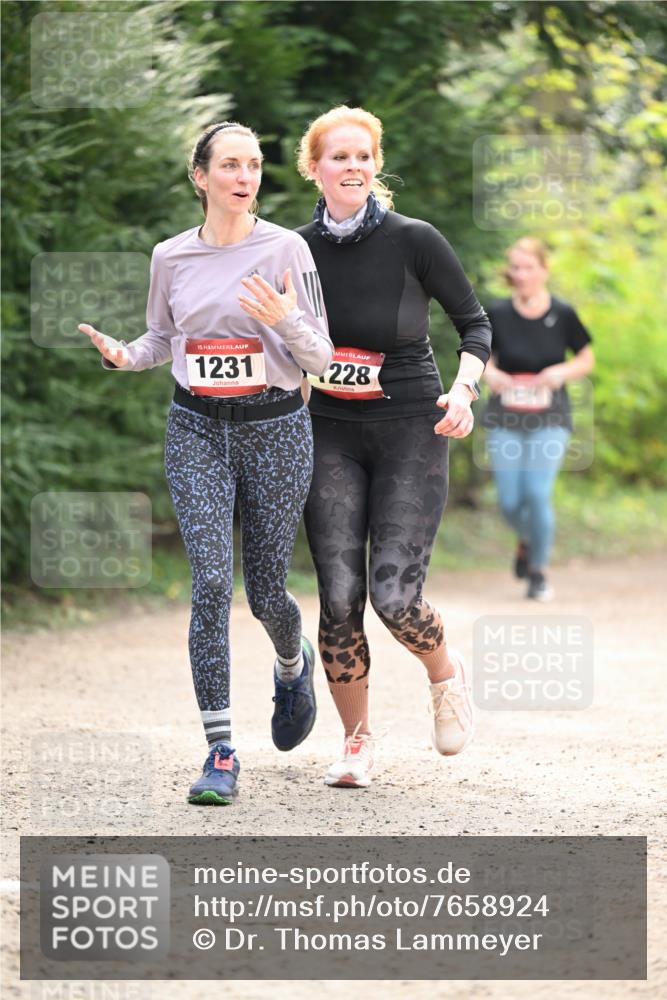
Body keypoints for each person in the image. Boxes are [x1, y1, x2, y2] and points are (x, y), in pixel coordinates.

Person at [79, 121, 332, 804]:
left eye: (252, 165)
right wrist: (125, 354)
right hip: (195, 429)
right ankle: (220, 751)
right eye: (229, 164)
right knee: (211, 584)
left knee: (265, 591)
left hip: (276, 429)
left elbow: (321, 359)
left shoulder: (286, 248)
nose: (244, 176)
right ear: (200, 177)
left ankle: (291, 661)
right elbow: (163, 337)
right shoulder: (171, 256)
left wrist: (283, 318)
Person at [295, 106, 492, 788]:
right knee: (339, 595)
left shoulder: (415, 240)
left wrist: (463, 392)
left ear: (375, 164)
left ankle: (444, 673)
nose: (353, 167)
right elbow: (275, 345)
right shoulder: (292, 250)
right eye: (338, 156)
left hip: (412, 422)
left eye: (363, 156)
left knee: (393, 597)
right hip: (328, 431)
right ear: (313, 168)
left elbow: (473, 324)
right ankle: (354, 743)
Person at [481, 237, 594, 601]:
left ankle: (539, 572)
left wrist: (561, 371)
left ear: (544, 270)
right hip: (506, 416)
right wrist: (491, 373)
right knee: (509, 502)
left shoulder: (562, 313)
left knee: (537, 493)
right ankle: (527, 540)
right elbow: (479, 355)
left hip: (549, 417)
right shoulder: (496, 313)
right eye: (516, 267)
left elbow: (586, 359)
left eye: (529, 267)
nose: (522, 274)